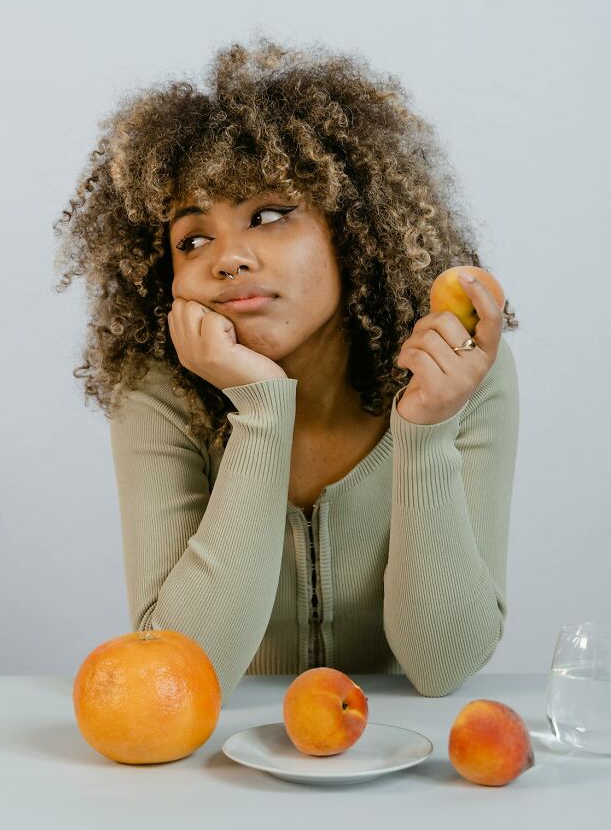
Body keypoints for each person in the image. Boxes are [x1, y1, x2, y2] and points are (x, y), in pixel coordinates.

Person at [53, 36, 520, 705]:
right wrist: (262, 409)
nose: (227, 258)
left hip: (394, 770)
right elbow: (184, 668)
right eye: (194, 238)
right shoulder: (155, 388)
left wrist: (424, 430)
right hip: (219, 772)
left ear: (351, 228)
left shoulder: (456, 373)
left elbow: (443, 666)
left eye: (268, 215)